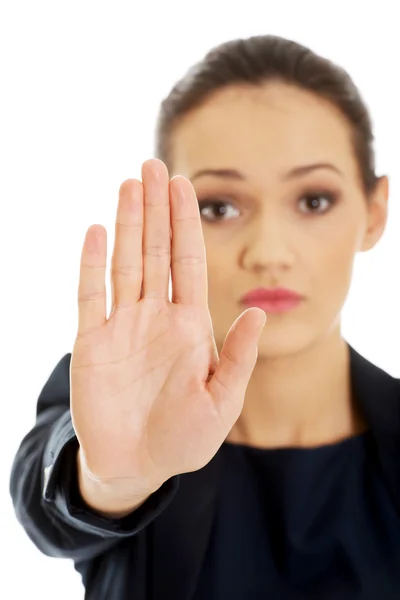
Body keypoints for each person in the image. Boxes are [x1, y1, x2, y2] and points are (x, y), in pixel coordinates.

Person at [9, 33, 400, 600]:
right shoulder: (122, 410)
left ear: (374, 212)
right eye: (219, 207)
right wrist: (110, 479)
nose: (268, 251)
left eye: (313, 201)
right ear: (170, 220)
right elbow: (46, 508)